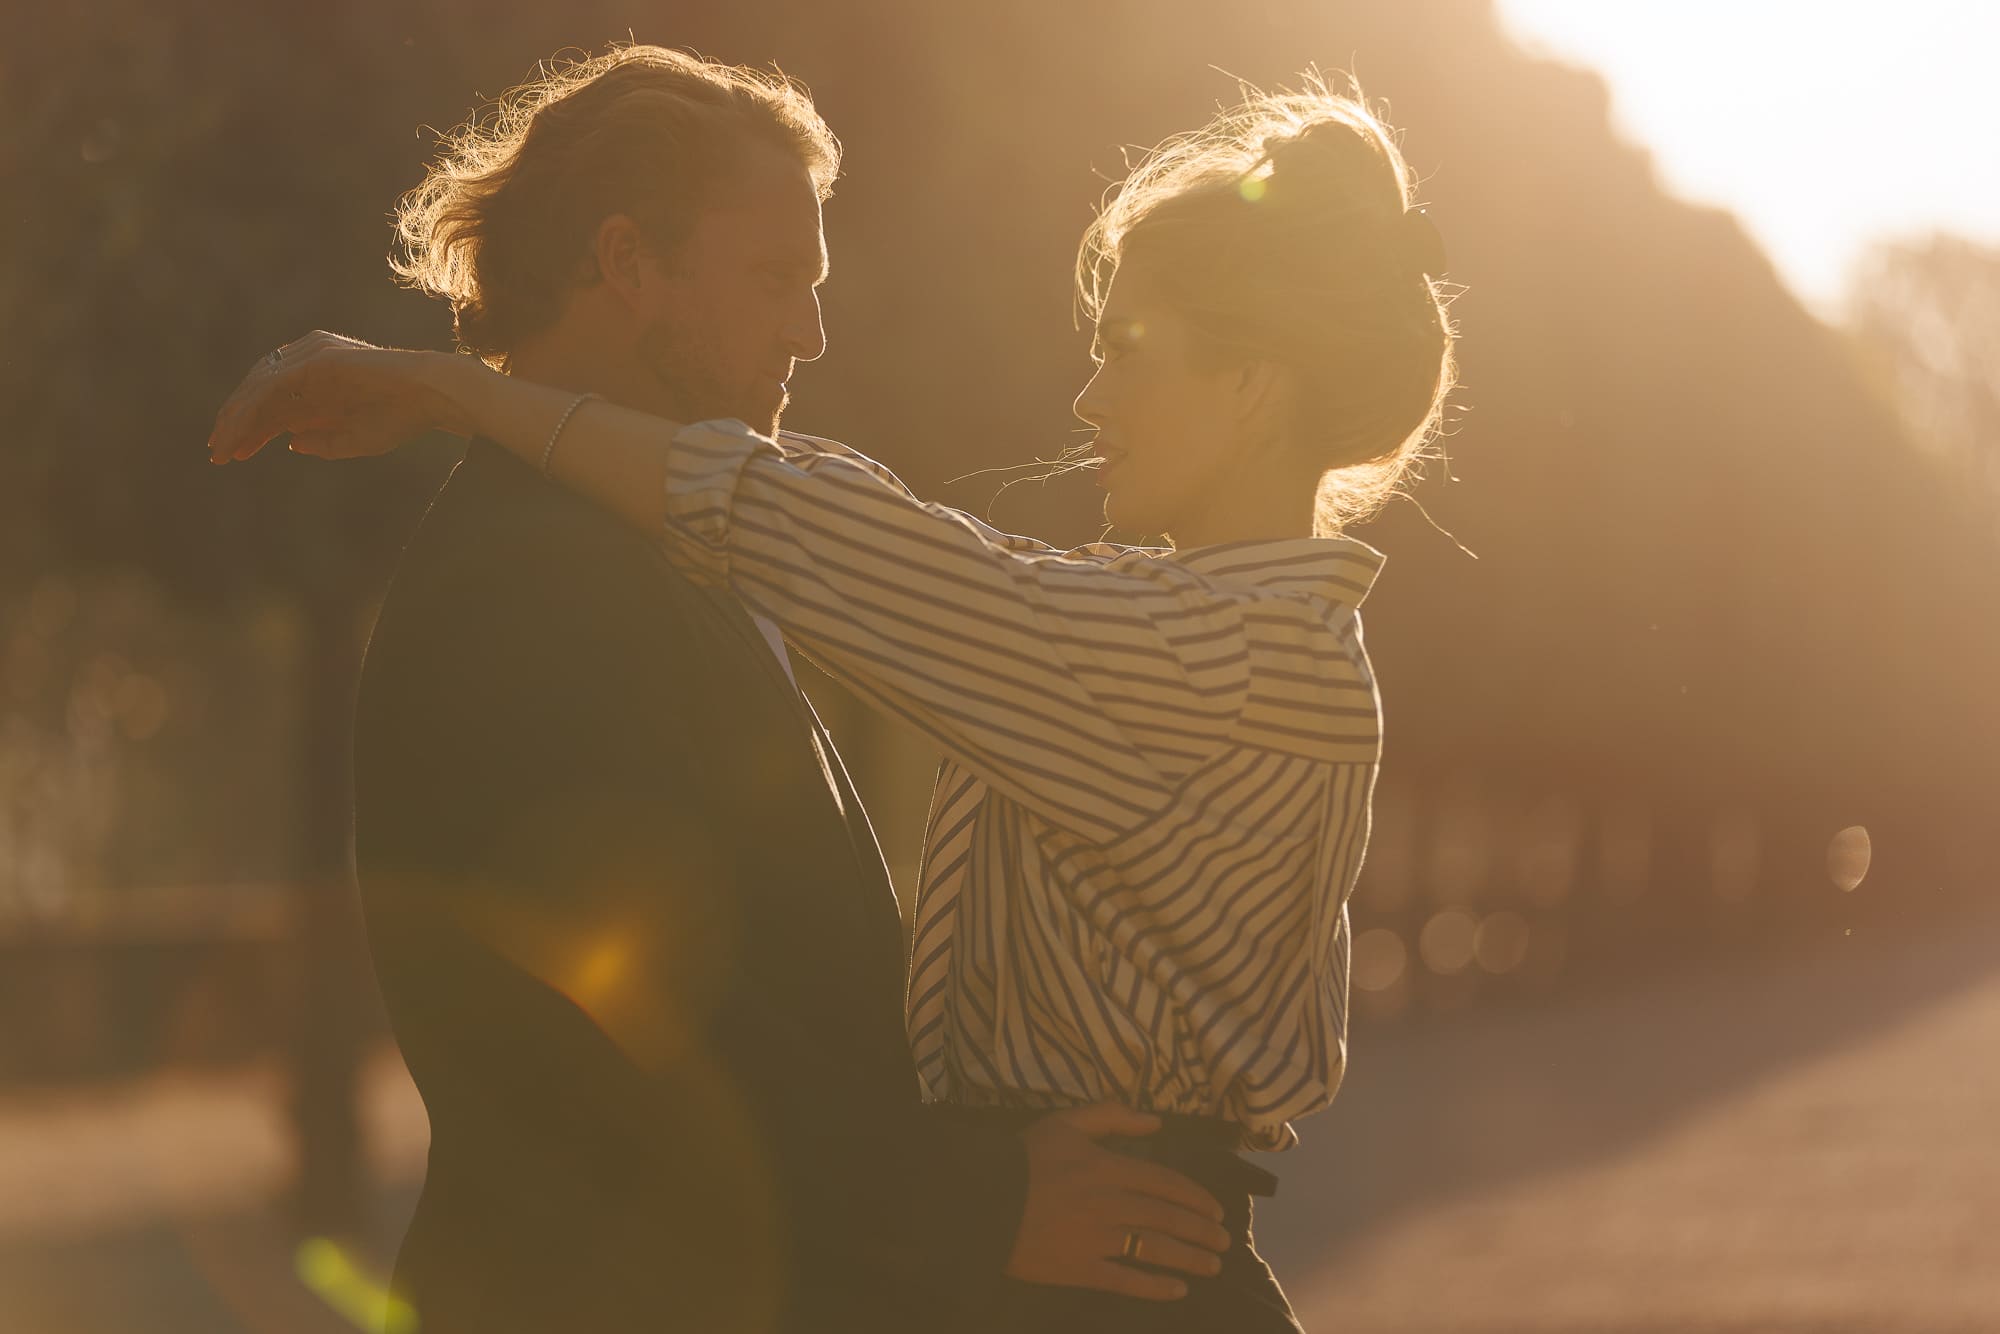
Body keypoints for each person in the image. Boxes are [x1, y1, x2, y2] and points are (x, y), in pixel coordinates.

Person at [212, 63, 1457, 1334]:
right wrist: (969, 1204)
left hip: (1115, 1272)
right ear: (627, 260)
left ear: (1251, 388)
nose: (1086, 398)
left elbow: (825, 524)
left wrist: (453, 389)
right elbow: (610, 1044)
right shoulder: (541, 576)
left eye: (1125, 352)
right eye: (775, 279)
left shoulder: (1213, 653)